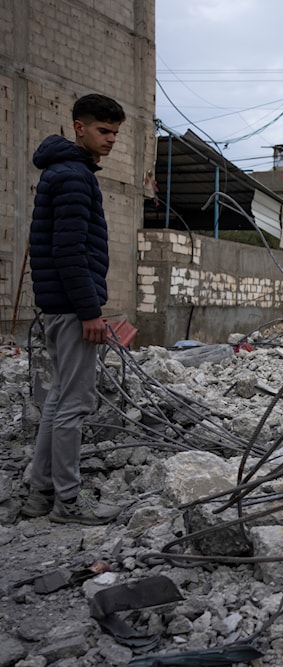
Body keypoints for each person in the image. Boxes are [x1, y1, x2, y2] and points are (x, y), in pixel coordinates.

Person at [21, 93, 125, 525]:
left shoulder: (63, 172)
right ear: (78, 128)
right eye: (104, 131)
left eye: (116, 133)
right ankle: (69, 502)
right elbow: (68, 252)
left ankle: (39, 495)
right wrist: (89, 312)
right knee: (74, 405)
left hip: (58, 306)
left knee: (58, 401)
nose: (111, 140)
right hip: (72, 308)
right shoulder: (74, 178)